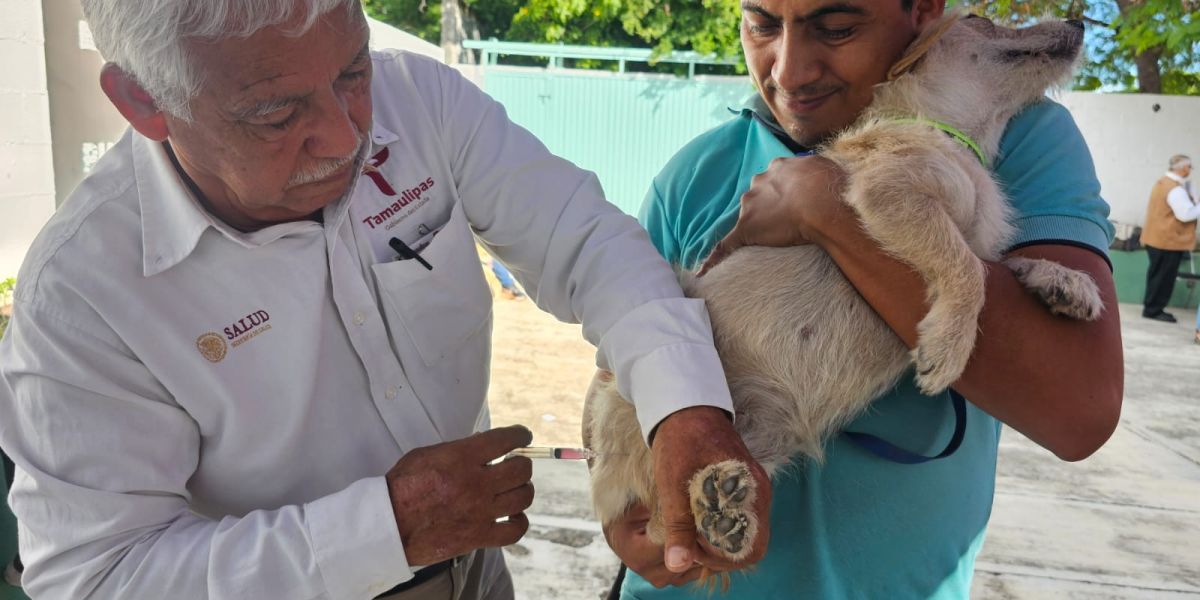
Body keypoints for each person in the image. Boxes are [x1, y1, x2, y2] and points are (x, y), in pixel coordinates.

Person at [0, 1, 770, 598]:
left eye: (353, 71)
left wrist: (685, 412)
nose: (345, 136)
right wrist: (381, 531)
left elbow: (585, 240)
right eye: (277, 113)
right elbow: (94, 579)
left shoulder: (419, 103)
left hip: (477, 572)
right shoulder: (83, 295)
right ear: (143, 103)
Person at [602, 1, 1123, 598]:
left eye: (838, 28)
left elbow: (1080, 411)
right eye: (762, 25)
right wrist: (621, 522)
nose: (790, 72)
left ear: (926, 12)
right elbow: (615, 369)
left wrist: (823, 205)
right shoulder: (698, 172)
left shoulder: (1014, 132)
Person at [1141, 154, 1198, 323]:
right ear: (1181, 168)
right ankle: (1154, 310)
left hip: (1156, 238)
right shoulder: (1175, 189)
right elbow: (1185, 215)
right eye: (1189, 167)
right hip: (1168, 241)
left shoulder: (1162, 183)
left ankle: (1150, 307)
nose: (1190, 170)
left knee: (1156, 275)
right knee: (1163, 278)